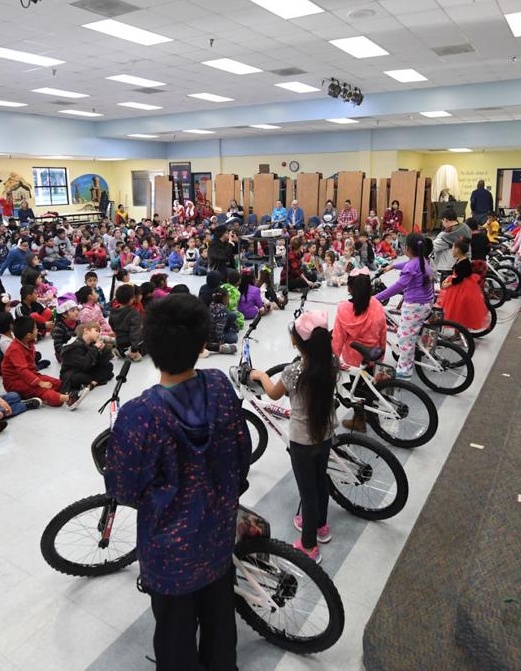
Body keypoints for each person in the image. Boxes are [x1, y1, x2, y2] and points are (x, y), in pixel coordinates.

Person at [104, 294, 251, 671]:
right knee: (221, 623)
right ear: (203, 345)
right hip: (218, 536)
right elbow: (242, 451)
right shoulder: (220, 386)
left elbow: (121, 488)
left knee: (174, 636)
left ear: (151, 347)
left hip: (170, 555)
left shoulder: (139, 415)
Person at [248, 310, 337, 560]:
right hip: (326, 432)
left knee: (307, 492)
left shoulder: (294, 372)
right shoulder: (331, 362)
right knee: (321, 479)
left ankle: (309, 546)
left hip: (302, 440)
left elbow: (274, 394)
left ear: (296, 342)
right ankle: (321, 526)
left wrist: (262, 375)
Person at [332, 271, 387, 431]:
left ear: (349, 289)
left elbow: (338, 339)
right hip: (374, 354)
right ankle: (373, 414)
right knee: (370, 386)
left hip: (354, 357)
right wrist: (381, 354)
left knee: (357, 390)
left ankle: (359, 420)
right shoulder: (377, 305)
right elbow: (383, 332)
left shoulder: (344, 309)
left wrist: (333, 358)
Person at [375, 233, 434, 380]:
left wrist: (376, 298)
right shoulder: (422, 259)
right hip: (426, 302)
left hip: (415, 305)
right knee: (410, 333)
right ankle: (410, 357)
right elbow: (409, 265)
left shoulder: (413, 264)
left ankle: (404, 371)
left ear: (407, 248)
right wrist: (393, 265)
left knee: (405, 338)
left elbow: (398, 286)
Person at [1, 316, 70, 407]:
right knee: (40, 389)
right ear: (28, 335)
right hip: (14, 382)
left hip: (31, 375)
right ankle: (66, 399)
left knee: (56, 383)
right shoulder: (15, 349)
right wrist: (40, 383)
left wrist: (40, 380)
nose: (37, 330)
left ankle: (67, 392)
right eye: (35, 328)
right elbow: (23, 371)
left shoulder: (28, 342)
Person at [438, 237, 491, 333]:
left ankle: (460, 332)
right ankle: (459, 332)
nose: (452, 251)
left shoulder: (463, 263)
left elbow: (460, 278)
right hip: (461, 286)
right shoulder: (461, 260)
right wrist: (449, 278)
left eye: (453, 248)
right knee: (458, 311)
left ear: (458, 250)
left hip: (461, 289)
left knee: (458, 310)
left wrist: (449, 283)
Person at [59, 322, 114, 406]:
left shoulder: (91, 345)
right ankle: (93, 382)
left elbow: (102, 361)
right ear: (86, 331)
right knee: (79, 377)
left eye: (99, 331)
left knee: (109, 366)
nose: (98, 333)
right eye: (96, 330)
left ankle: (92, 383)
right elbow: (84, 364)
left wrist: (102, 350)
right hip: (72, 373)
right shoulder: (75, 345)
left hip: (84, 370)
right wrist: (95, 349)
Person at [431, 208, 471, 280]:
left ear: (445, 220)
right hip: (464, 264)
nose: (442, 223)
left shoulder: (445, 236)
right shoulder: (466, 228)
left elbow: (432, 247)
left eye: (442, 221)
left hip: (448, 268)